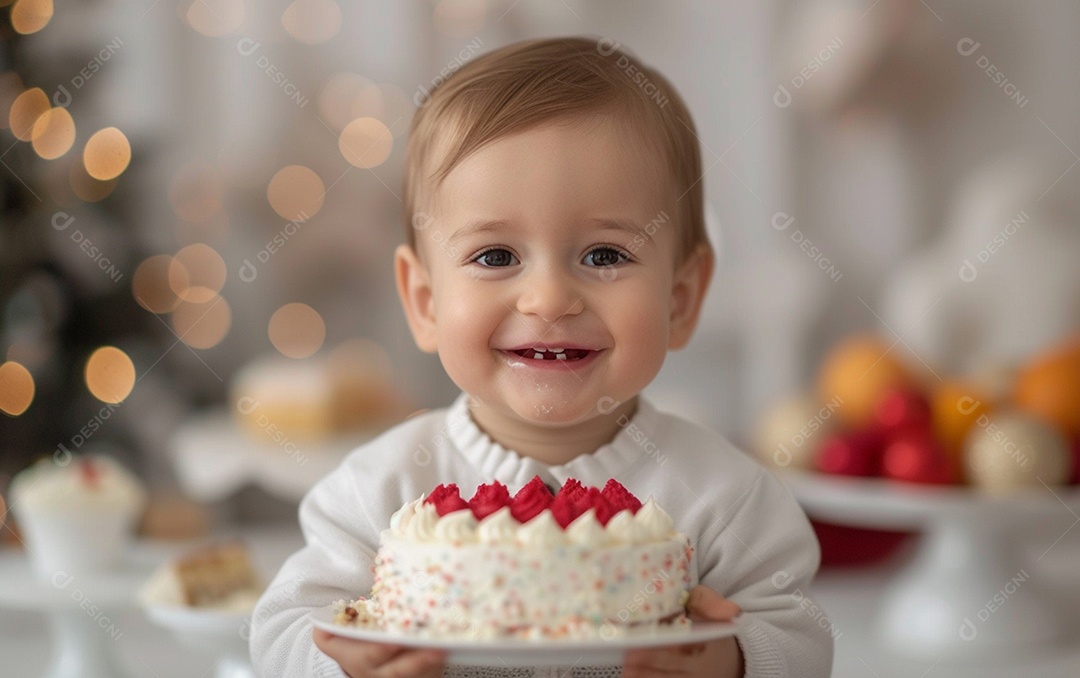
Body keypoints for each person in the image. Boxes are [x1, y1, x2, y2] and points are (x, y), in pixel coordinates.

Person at [250, 37, 833, 678]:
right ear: (425, 301)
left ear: (680, 298)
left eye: (605, 255)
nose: (550, 297)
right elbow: (281, 628)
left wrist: (738, 661)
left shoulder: (724, 497)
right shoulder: (378, 491)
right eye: (495, 256)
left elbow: (802, 632)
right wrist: (341, 667)